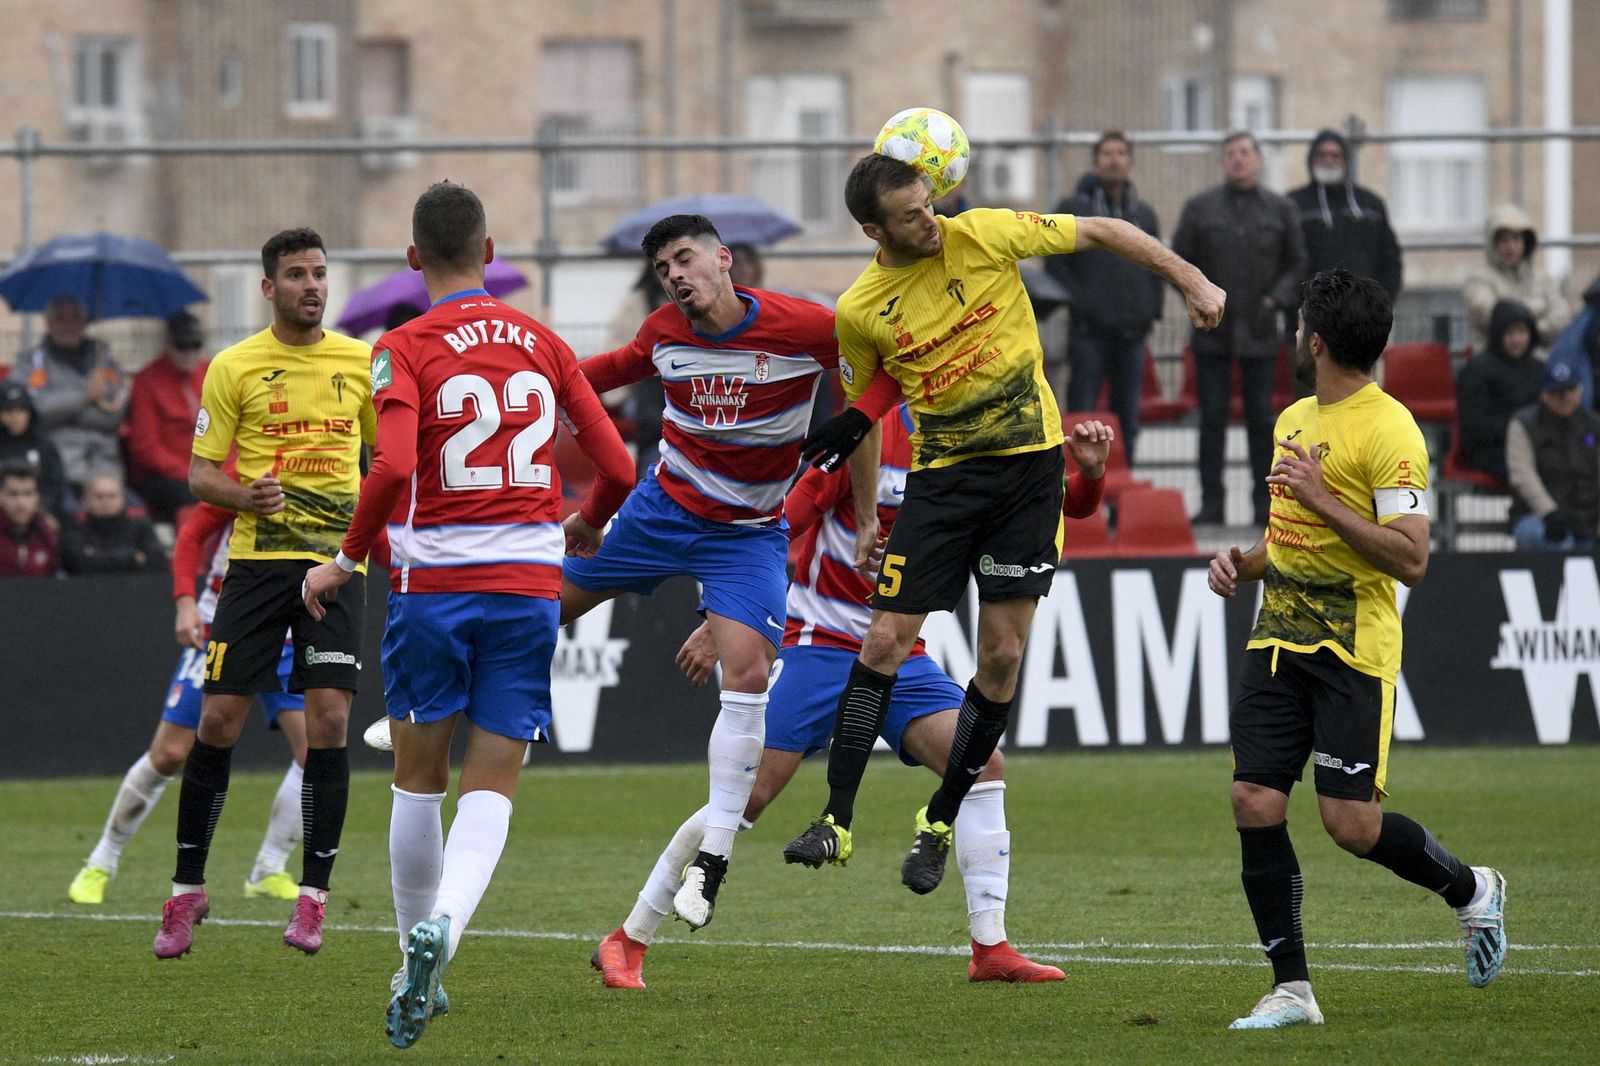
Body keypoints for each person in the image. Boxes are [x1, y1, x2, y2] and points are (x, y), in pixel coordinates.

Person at [784, 152, 1223, 893]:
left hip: (1027, 476)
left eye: (929, 203)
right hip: (942, 483)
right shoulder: (861, 311)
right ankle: (837, 819)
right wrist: (861, 510)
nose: (931, 221)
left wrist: (1191, 279)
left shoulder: (984, 233)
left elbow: (1104, 229)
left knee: (1001, 657)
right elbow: (867, 411)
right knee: (884, 640)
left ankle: (939, 820)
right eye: (911, 216)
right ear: (872, 231)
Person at [592, 407, 1113, 990]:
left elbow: (1051, 505)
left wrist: (1091, 475)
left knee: (983, 766)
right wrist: (724, 616)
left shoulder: (979, 437)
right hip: (821, 647)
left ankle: (990, 948)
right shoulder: (870, 437)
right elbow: (782, 522)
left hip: (901, 655)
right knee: (747, 795)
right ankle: (628, 938)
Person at [301, 182, 634, 1050]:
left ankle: (413, 957)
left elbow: (390, 467)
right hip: (529, 588)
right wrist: (589, 521)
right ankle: (443, 930)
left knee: (418, 779)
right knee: (494, 781)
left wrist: (345, 559)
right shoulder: (545, 342)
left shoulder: (402, 346)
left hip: (435, 589)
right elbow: (620, 467)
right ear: (490, 251)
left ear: (414, 258)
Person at [567, 212, 897, 937]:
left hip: (745, 536)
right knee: (542, 606)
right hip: (660, 512)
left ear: (724, 260)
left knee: (747, 675)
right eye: (663, 270)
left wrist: (861, 468)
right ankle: (427, 707)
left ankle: (712, 861)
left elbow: (881, 377)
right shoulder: (664, 332)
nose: (675, 276)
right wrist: (531, 382)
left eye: (685, 259)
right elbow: (610, 370)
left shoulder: (806, 329)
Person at [1206, 269, 1505, 1030]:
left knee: (1352, 826)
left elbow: (1412, 558)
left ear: (1314, 340)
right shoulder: (1293, 418)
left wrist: (1322, 498)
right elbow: (1286, 538)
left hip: (1351, 652)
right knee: (1253, 800)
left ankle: (1472, 890)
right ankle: (1292, 990)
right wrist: (1242, 563)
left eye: (1300, 324)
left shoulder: (1393, 430)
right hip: (1277, 640)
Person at [152, 227, 375, 961]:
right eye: (298, 274)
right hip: (256, 565)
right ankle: (186, 890)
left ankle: (312, 899)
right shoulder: (234, 365)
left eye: (320, 273)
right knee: (218, 720)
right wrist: (245, 494)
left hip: (334, 567)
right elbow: (200, 475)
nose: (313, 285)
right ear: (268, 287)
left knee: (330, 720)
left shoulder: (360, 361)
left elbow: (386, 462)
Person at [68, 500, 308, 905]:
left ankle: (269, 867)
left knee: (314, 750)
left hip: (289, 633)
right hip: (225, 626)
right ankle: (101, 861)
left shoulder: (330, 474)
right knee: (170, 753)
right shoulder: (249, 473)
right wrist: (184, 600)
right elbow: (193, 532)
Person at [1172, 131, 1308, 527]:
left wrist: (1274, 300)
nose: (1238, 159)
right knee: (1211, 420)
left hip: (1261, 332)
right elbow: (1177, 262)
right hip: (1212, 332)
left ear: (1258, 160)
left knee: (1262, 422)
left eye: (1245, 153)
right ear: (1222, 161)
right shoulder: (1199, 208)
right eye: (1230, 153)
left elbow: (1297, 263)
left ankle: (1264, 505)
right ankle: (1211, 504)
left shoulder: (1280, 209)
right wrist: (1198, 297)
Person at [1044, 131, 1164, 461]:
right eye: (1107, 154)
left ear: (1131, 162)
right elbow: (1055, 264)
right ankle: (1078, 483)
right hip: (1088, 335)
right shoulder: (1074, 211)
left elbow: (1157, 264)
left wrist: (1150, 310)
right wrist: (1081, 302)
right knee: (1082, 415)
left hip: (1133, 336)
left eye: (1121, 153)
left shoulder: (1143, 214)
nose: (1114, 160)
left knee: (1127, 420)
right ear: (1095, 163)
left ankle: (1123, 483)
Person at [13, 295, 128, 487]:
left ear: (84, 323)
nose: (69, 325)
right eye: (61, 319)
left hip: (106, 465)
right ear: (48, 323)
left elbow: (115, 413)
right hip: (56, 466)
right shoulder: (30, 362)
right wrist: (85, 396)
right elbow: (32, 411)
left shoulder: (105, 359)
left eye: (75, 318)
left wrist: (62, 410)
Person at [1286, 129, 1403, 302]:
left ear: (1346, 160)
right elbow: (1286, 260)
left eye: (1335, 155)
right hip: (1313, 308)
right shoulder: (1293, 205)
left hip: (1363, 307)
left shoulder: (1370, 204)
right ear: (1312, 159)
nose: (1329, 161)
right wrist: (1297, 305)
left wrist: (1383, 301)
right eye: (1322, 155)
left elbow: (1390, 258)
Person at [122, 311, 209, 523]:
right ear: (168, 345)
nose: (189, 352)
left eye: (195, 345)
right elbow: (145, 447)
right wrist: (188, 471)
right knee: (190, 495)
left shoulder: (211, 371)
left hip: (207, 467)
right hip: (164, 475)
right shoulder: (147, 380)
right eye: (181, 346)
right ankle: (192, 545)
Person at [1505, 359, 1599, 551]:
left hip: (1587, 517)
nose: (1565, 398)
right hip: (1536, 515)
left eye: (1570, 390)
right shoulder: (1524, 424)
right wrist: (1549, 512)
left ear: (1580, 391)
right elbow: (1522, 475)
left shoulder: (1592, 424)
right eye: (1557, 392)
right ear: (1545, 395)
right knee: (1559, 543)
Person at [1454, 300, 1545, 482]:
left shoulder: (1539, 369)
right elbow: (1475, 426)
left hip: (1539, 446)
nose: (1517, 340)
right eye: (1510, 333)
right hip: (1494, 452)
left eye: (1522, 332)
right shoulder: (1477, 371)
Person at [1463, 204, 1572, 353]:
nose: (1511, 247)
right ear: (1492, 243)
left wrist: (1530, 330)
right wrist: (1539, 306)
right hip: (1492, 357)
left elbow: (1562, 316)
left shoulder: (1542, 277)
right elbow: (1494, 315)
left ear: (1526, 243)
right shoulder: (1478, 278)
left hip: (1538, 357)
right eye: (1504, 240)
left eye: (1516, 239)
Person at [60, 470, 168, 575]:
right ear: (86, 500)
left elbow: (157, 561)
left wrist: (97, 558)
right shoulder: (74, 529)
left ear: (123, 499)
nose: (106, 501)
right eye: (99, 496)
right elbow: (77, 564)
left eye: (112, 496)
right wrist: (132, 559)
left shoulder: (141, 527)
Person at [0, 379, 70, 518]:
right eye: (8, 411)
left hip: (40, 513)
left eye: (21, 410)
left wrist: (38, 509)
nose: (15, 417)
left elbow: (56, 484)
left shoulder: (44, 445)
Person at [0, 461, 58, 577]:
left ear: (38, 496)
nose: (21, 503)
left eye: (28, 494)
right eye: (13, 494)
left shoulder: (48, 535)